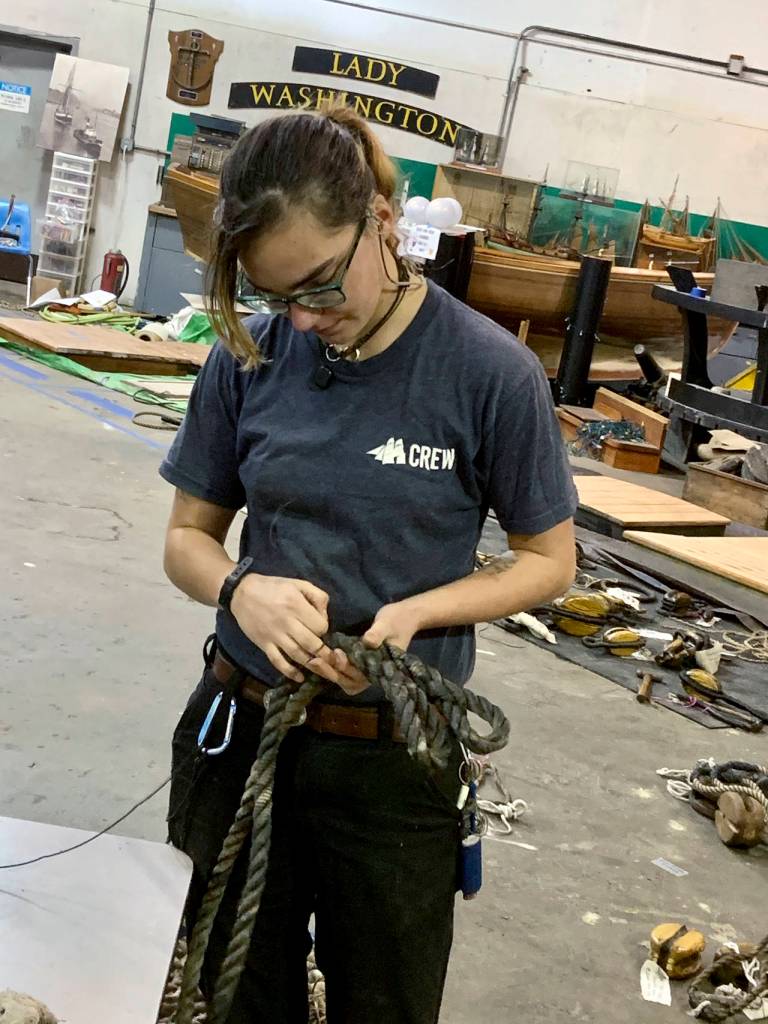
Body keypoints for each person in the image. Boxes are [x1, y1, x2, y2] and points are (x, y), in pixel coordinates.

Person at [161, 105, 578, 1024]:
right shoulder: (250, 356)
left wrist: (421, 613)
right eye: (279, 299)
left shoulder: (488, 373)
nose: (303, 322)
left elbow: (550, 561)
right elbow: (185, 542)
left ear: (382, 223)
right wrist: (242, 587)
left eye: (317, 286)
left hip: (393, 769)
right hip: (244, 733)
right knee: (235, 999)